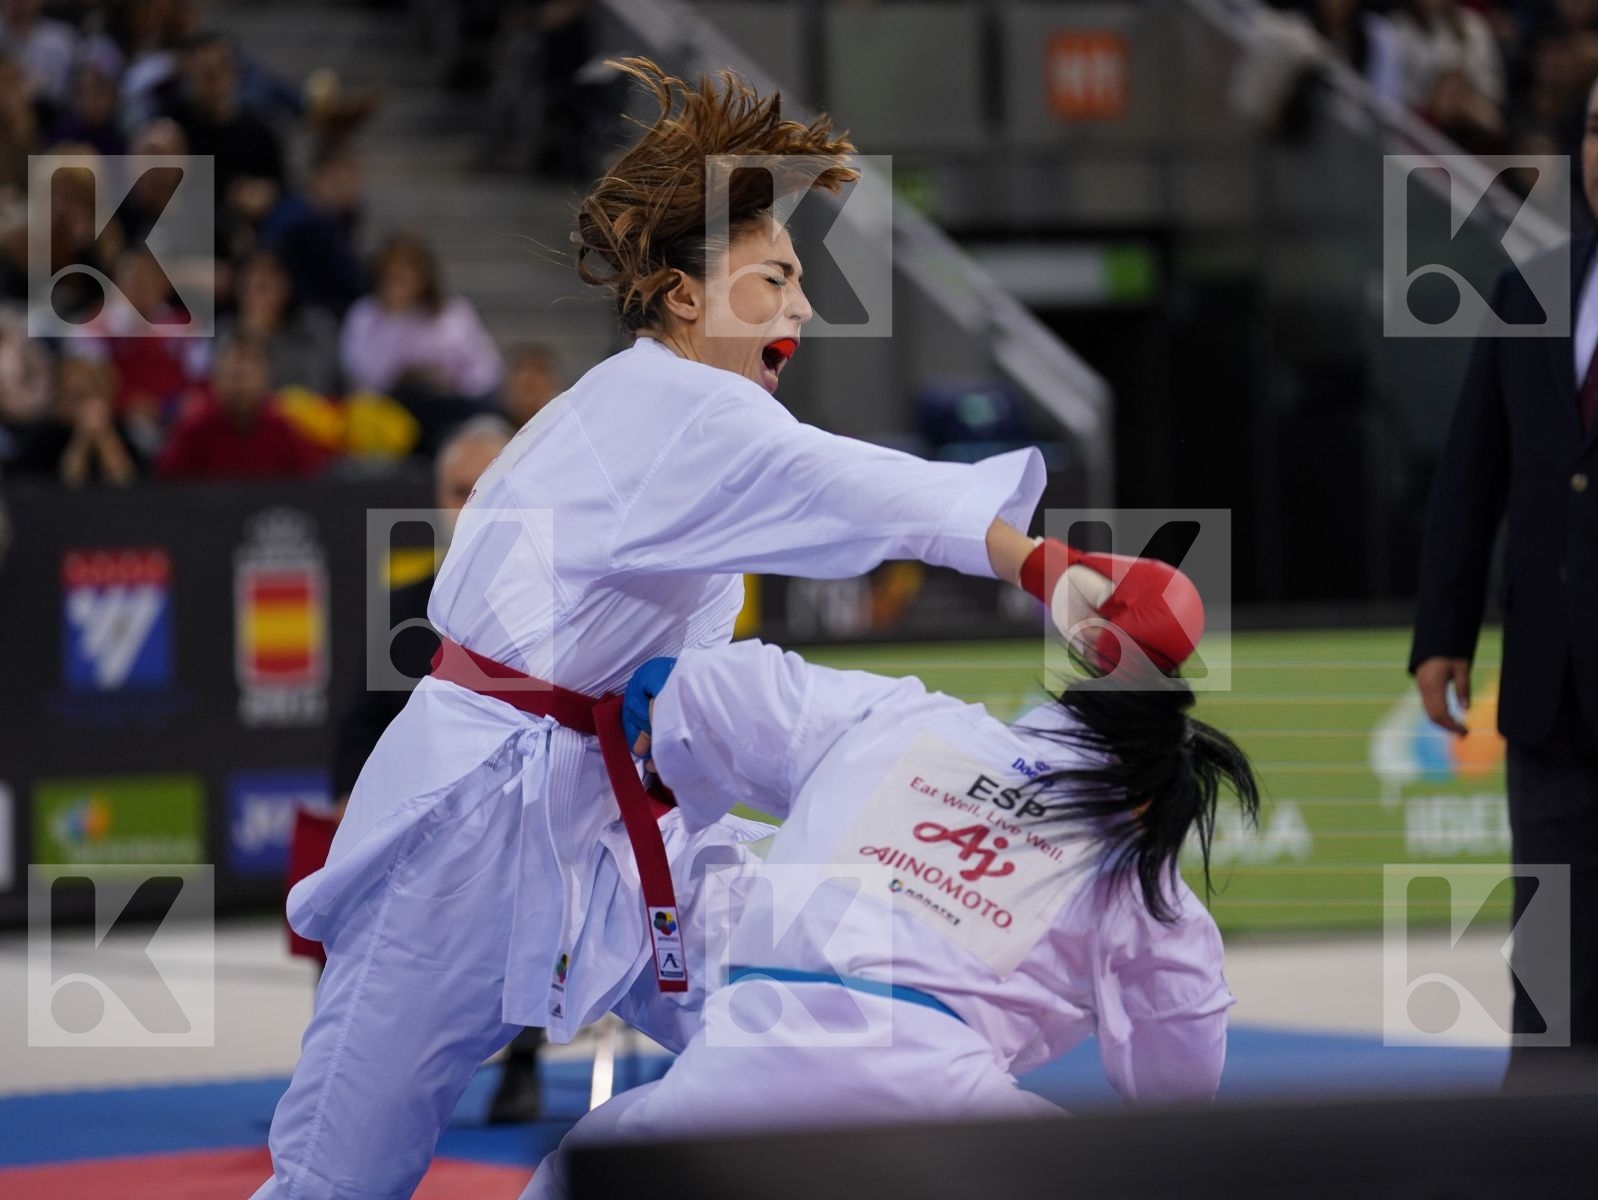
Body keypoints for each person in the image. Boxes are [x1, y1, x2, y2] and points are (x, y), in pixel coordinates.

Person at [252, 57, 1047, 1200]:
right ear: (684, 297)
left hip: (630, 832)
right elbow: (850, 486)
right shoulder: (676, 407)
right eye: (772, 278)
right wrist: (1035, 558)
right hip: (470, 827)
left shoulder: (682, 429)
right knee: (333, 1179)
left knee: (811, 1019)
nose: (803, 306)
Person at [523, 545, 1254, 1198]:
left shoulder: (903, 719)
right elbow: (1177, 1090)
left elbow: (728, 692)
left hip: (746, 1057)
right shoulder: (1143, 877)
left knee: (582, 1169)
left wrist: (666, 689)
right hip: (941, 1121)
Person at [1410, 74, 1598, 1088]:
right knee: (1550, 967)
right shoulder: (1529, 289)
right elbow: (1469, 472)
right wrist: (1440, 630)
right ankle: (1538, 1155)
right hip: (1548, 691)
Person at [155, 336, 323, 480]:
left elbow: (311, 483)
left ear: (267, 378)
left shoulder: (283, 429)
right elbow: (168, 486)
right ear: (215, 379)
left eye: (247, 376)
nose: (240, 387)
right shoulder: (194, 430)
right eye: (233, 375)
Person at [217, 250, 341, 397]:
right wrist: (252, 333)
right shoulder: (221, 332)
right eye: (252, 278)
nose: (260, 281)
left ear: (288, 282)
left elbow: (322, 386)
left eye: (271, 276)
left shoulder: (316, 328)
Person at [9, 356, 144, 487]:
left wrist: (105, 438)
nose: (82, 405)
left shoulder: (122, 428)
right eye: (73, 396)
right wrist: (81, 440)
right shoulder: (43, 436)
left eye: (89, 394)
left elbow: (125, 481)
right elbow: (66, 486)